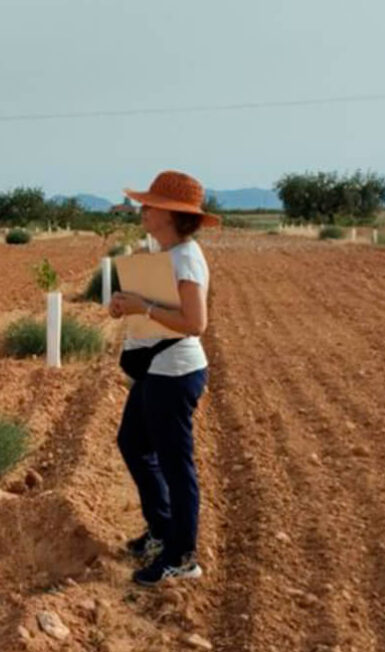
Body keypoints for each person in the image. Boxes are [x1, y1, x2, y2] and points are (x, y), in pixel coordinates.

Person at [108, 170, 217, 587]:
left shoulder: (186, 256)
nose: (143, 209)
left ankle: (181, 556)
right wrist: (127, 305)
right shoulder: (166, 252)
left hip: (176, 372)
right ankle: (161, 530)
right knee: (132, 442)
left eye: (149, 204)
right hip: (158, 368)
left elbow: (195, 322)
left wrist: (144, 308)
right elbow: (158, 306)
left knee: (176, 465)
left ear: (170, 214)